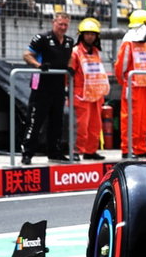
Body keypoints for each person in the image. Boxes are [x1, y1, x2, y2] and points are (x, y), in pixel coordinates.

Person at [21, 12, 73, 165]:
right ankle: (27, 153)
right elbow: (27, 55)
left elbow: (70, 57)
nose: (63, 27)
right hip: (41, 86)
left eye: (65, 25)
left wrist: (70, 67)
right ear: (53, 23)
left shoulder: (69, 41)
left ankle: (55, 152)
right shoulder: (42, 38)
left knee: (57, 121)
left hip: (59, 86)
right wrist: (39, 65)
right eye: (60, 24)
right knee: (35, 120)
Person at [115, 9, 146, 159]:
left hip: (145, 86)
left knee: (143, 118)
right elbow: (120, 67)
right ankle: (128, 148)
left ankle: (141, 147)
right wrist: (125, 83)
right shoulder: (128, 44)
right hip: (132, 86)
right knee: (130, 118)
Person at [67, 17, 109, 161]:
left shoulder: (96, 52)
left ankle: (90, 151)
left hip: (95, 95)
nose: (90, 36)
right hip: (81, 95)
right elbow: (69, 74)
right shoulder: (75, 52)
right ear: (81, 35)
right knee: (80, 126)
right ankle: (76, 151)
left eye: (92, 34)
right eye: (87, 34)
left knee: (95, 126)